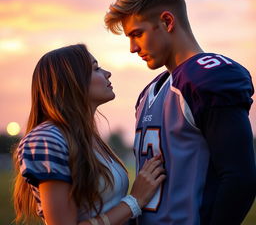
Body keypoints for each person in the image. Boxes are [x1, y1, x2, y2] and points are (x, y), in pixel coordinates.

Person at [104, 0, 256, 225]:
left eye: (137, 34)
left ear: (166, 21)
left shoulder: (208, 77)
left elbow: (240, 178)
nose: (132, 48)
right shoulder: (149, 92)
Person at [13, 44, 166, 225]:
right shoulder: (47, 139)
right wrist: (134, 202)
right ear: (72, 81)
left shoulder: (88, 137)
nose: (107, 73)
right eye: (96, 69)